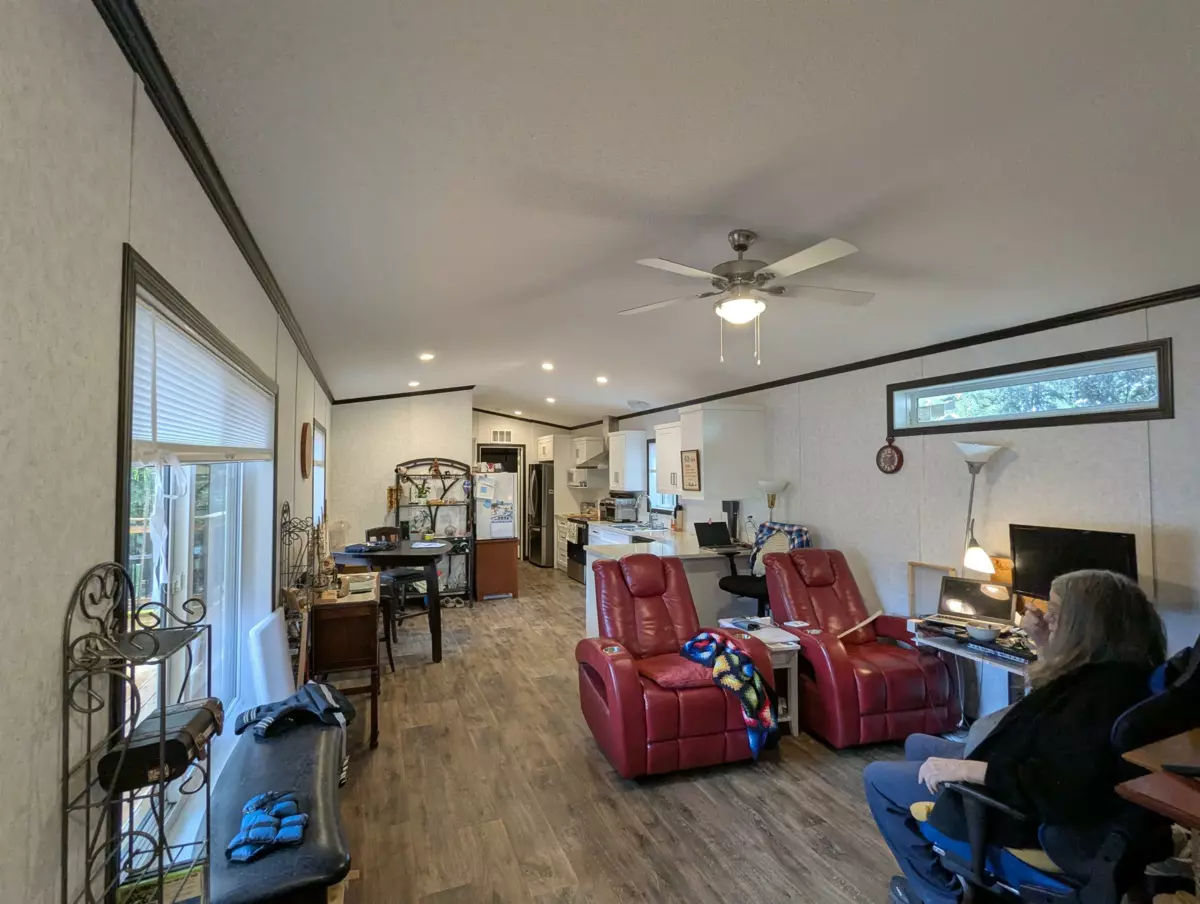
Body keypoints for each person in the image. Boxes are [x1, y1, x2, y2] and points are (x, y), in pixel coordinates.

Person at [863, 570, 1167, 904]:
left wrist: (966, 770)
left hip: (1018, 809)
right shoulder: (1120, 672)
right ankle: (957, 869)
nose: (1044, 618)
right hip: (1019, 769)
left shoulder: (1099, 697)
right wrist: (1041, 639)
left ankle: (937, 894)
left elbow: (1056, 786)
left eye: (1053, 613)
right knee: (916, 743)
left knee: (877, 777)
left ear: (1083, 626)